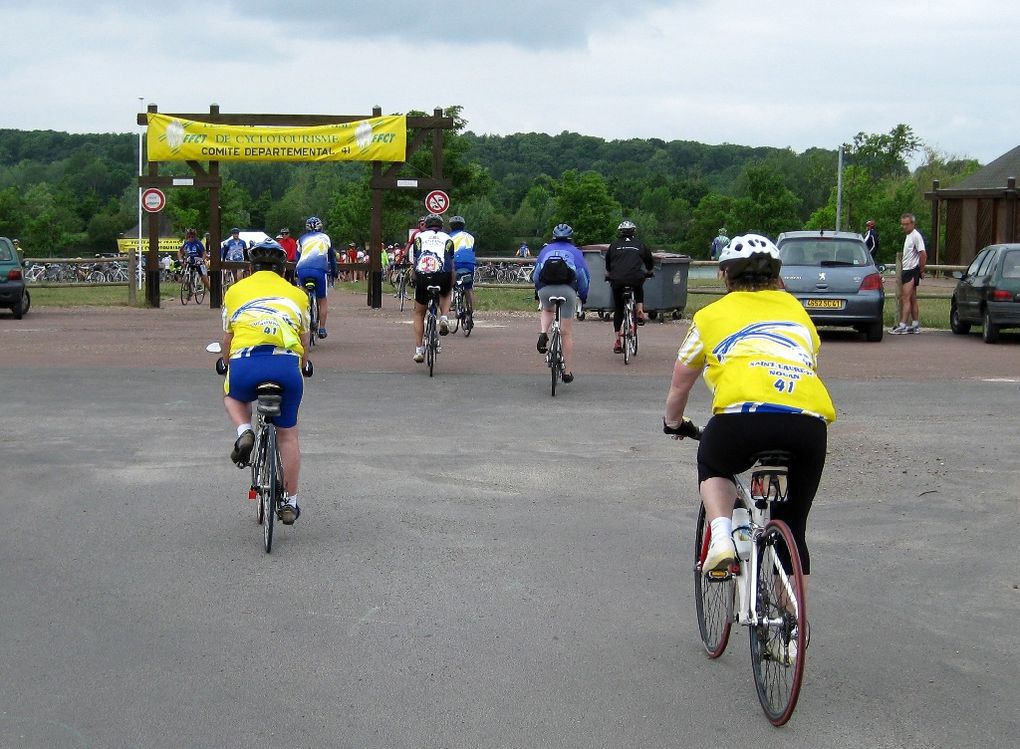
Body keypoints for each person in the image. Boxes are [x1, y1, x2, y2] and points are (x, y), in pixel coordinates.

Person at [663, 234, 835, 618]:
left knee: (713, 462)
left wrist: (673, 421)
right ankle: (792, 629)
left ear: (725, 274)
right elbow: (807, 362)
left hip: (742, 419)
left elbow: (680, 382)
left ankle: (722, 536)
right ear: (778, 275)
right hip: (807, 425)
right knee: (793, 525)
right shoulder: (798, 313)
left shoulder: (710, 316)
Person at [221, 239, 310, 525]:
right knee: (288, 436)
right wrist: (304, 364)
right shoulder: (297, 295)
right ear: (283, 268)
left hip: (246, 363)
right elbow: (304, 339)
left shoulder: (234, 291)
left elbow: (229, 338)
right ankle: (290, 502)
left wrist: (225, 363)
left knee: (233, 396)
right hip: (285, 366)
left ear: (250, 267)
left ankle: (245, 430)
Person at [533, 223, 590, 383]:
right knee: (566, 333)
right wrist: (583, 297)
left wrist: (538, 291)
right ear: (571, 238)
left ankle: (543, 332)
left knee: (548, 310)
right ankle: (567, 372)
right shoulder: (576, 252)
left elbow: (536, 274)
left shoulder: (545, 250)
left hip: (546, 290)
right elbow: (583, 278)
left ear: (553, 237)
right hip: (567, 291)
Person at [410, 213, 455, 362]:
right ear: (441, 226)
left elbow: (416, 261)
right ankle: (444, 317)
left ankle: (419, 350)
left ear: (426, 225)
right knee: (446, 292)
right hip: (443, 274)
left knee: (419, 313)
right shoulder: (448, 239)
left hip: (424, 275)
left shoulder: (419, 238)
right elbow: (450, 262)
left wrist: (414, 278)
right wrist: (452, 281)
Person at [605, 219, 654, 353]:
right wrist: (649, 271)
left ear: (620, 232)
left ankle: (617, 341)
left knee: (619, 309)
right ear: (634, 232)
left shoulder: (614, 245)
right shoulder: (640, 245)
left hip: (617, 280)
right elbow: (649, 261)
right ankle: (639, 310)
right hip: (635, 278)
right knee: (638, 285)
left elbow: (608, 263)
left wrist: (609, 274)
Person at [295, 216, 335, 339]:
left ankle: (299, 325)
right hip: (319, 269)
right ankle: (322, 328)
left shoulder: (301, 239)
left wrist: (296, 273)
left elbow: (297, 257)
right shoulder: (326, 238)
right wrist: (334, 272)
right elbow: (332, 258)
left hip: (302, 269)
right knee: (322, 299)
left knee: (302, 298)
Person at [891, 213, 926, 335]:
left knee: (905, 297)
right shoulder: (909, 236)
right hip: (907, 269)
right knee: (911, 298)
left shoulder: (916, 236)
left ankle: (903, 324)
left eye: (906, 224)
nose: (904, 226)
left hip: (911, 270)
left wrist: (921, 270)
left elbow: (923, 253)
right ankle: (915, 324)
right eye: (903, 224)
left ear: (912, 224)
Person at [449, 215, 477, 317]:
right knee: (468, 287)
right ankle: (471, 310)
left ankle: (452, 301)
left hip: (455, 263)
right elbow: (473, 250)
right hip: (470, 263)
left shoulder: (449, 237)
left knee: (450, 282)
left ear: (451, 226)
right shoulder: (471, 237)